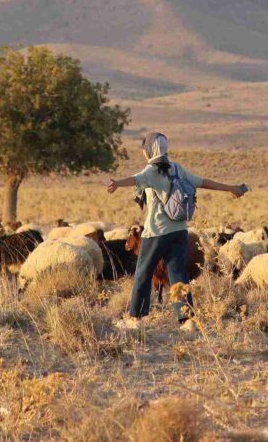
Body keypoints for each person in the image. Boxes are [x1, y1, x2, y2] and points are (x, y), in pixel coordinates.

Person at [106, 132, 247, 330]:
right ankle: (187, 320)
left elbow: (135, 179)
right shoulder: (177, 169)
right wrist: (231, 188)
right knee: (178, 274)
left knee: (142, 273)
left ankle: (136, 319)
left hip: (156, 232)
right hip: (180, 231)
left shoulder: (152, 171)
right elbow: (202, 182)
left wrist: (117, 184)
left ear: (148, 150)